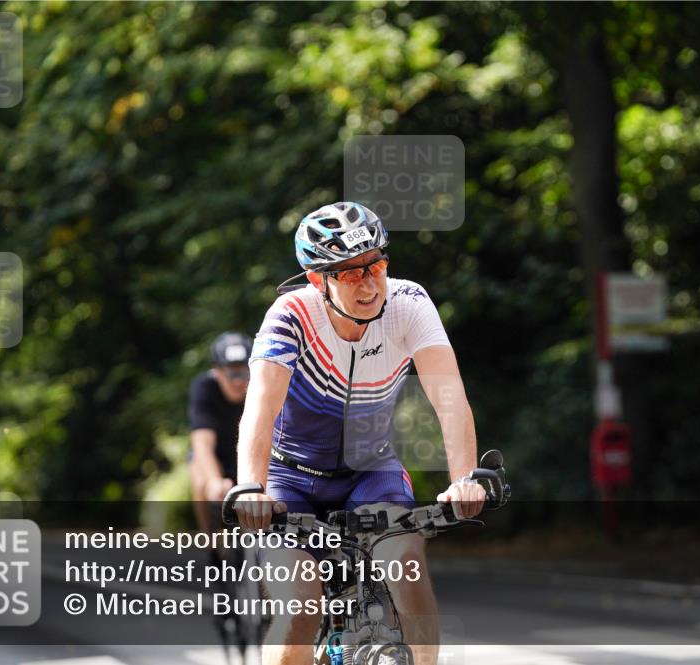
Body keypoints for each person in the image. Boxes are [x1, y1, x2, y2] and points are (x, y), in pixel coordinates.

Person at [232, 201, 486, 665]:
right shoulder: (291, 314)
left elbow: (448, 397)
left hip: (372, 470)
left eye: (376, 265)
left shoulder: (408, 303)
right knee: (300, 609)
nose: (369, 284)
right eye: (350, 273)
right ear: (318, 280)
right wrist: (251, 487)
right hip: (290, 479)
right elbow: (260, 409)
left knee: (406, 566)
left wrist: (464, 479)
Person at [188, 331, 252, 533]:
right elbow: (202, 443)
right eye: (231, 374)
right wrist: (214, 481)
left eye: (243, 373)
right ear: (216, 371)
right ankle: (210, 541)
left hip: (249, 454)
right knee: (201, 476)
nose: (238, 382)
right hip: (217, 456)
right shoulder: (204, 388)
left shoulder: (261, 388)